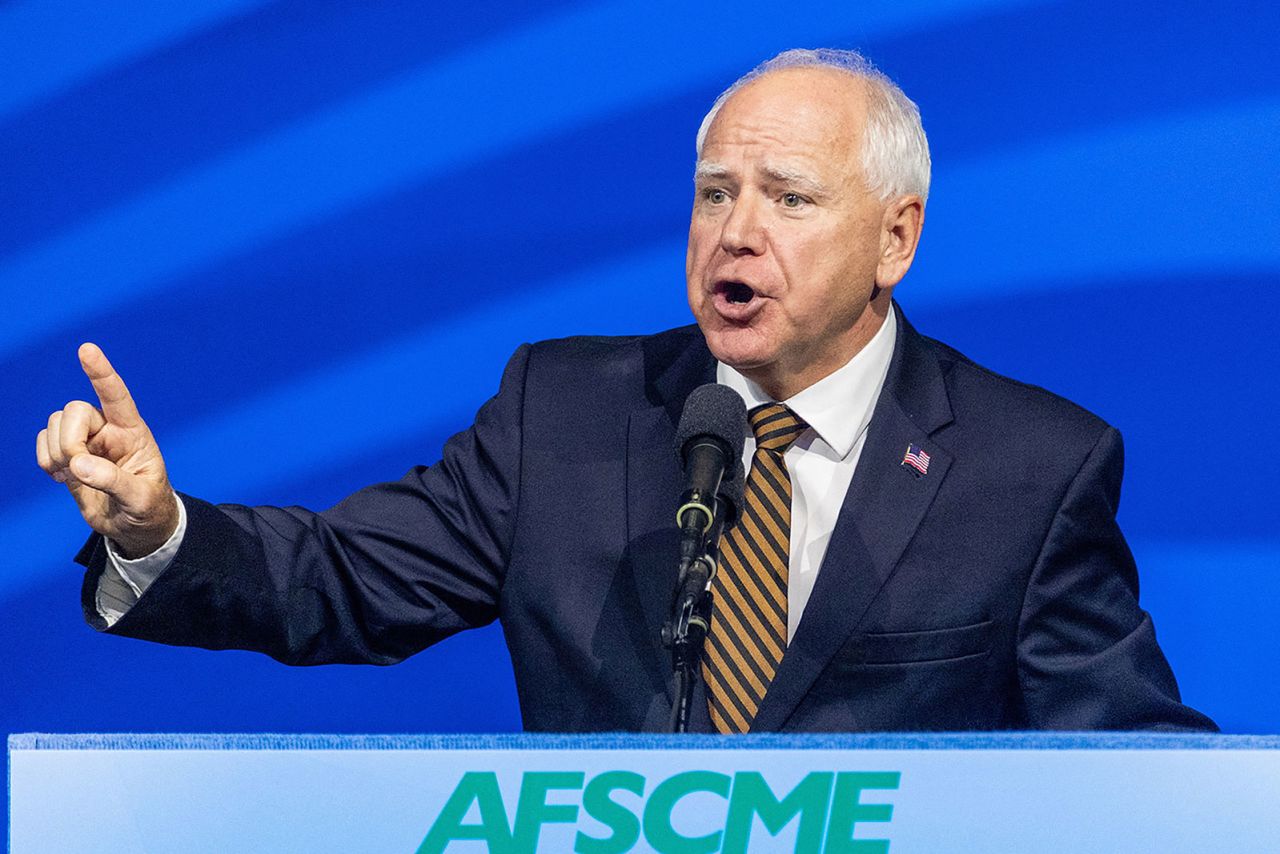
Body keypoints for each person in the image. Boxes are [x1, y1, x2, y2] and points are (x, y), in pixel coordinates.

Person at [36, 49, 1214, 733]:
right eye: (713, 194)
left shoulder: (1028, 463)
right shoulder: (567, 410)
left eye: (787, 200)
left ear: (893, 238)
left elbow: (1120, 767)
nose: (733, 234)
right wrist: (160, 530)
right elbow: (339, 582)